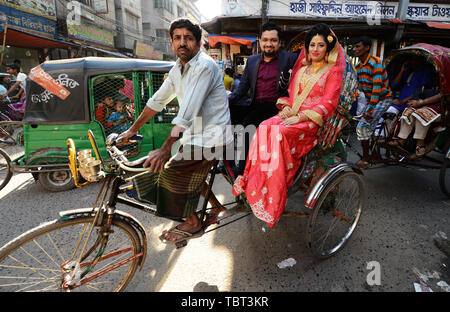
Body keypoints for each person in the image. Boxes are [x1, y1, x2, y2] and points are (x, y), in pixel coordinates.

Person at [118, 18, 232, 244]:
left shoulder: (204, 66)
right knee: (190, 173)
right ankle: (216, 207)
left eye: (188, 38)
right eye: (177, 38)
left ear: (198, 43)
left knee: (168, 170)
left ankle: (192, 222)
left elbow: (187, 113)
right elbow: (157, 101)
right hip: (195, 135)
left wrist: (164, 149)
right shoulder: (177, 69)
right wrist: (132, 129)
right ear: (171, 42)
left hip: (212, 136)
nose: (182, 43)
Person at [232, 23, 346, 228]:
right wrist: (286, 109)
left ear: (327, 48)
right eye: (312, 45)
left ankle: (274, 192)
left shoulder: (332, 71)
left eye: (321, 45)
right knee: (263, 128)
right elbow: (292, 96)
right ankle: (253, 179)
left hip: (311, 122)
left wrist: (301, 117)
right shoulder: (301, 69)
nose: (315, 49)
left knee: (277, 134)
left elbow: (329, 102)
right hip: (293, 114)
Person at [228, 21, 298, 174]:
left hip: (278, 107)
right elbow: (242, 87)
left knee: (248, 127)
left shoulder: (290, 59)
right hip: (255, 104)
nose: (269, 44)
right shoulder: (252, 61)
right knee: (228, 113)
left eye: (273, 40)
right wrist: (227, 101)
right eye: (265, 40)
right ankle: (229, 161)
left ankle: (243, 171)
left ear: (279, 42)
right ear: (260, 41)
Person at [352, 36, 392, 169]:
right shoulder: (358, 67)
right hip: (372, 101)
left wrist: (369, 110)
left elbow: (376, 89)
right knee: (367, 127)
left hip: (383, 98)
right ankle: (374, 153)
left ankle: (365, 158)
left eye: (358, 46)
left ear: (367, 48)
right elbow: (357, 88)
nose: (354, 49)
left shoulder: (376, 63)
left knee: (362, 126)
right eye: (354, 46)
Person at [389, 76, 442, 158]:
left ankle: (420, 143)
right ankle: (402, 139)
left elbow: (441, 95)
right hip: (424, 101)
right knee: (409, 111)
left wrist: (420, 102)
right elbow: (419, 91)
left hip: (440, 105)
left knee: (421, 114)